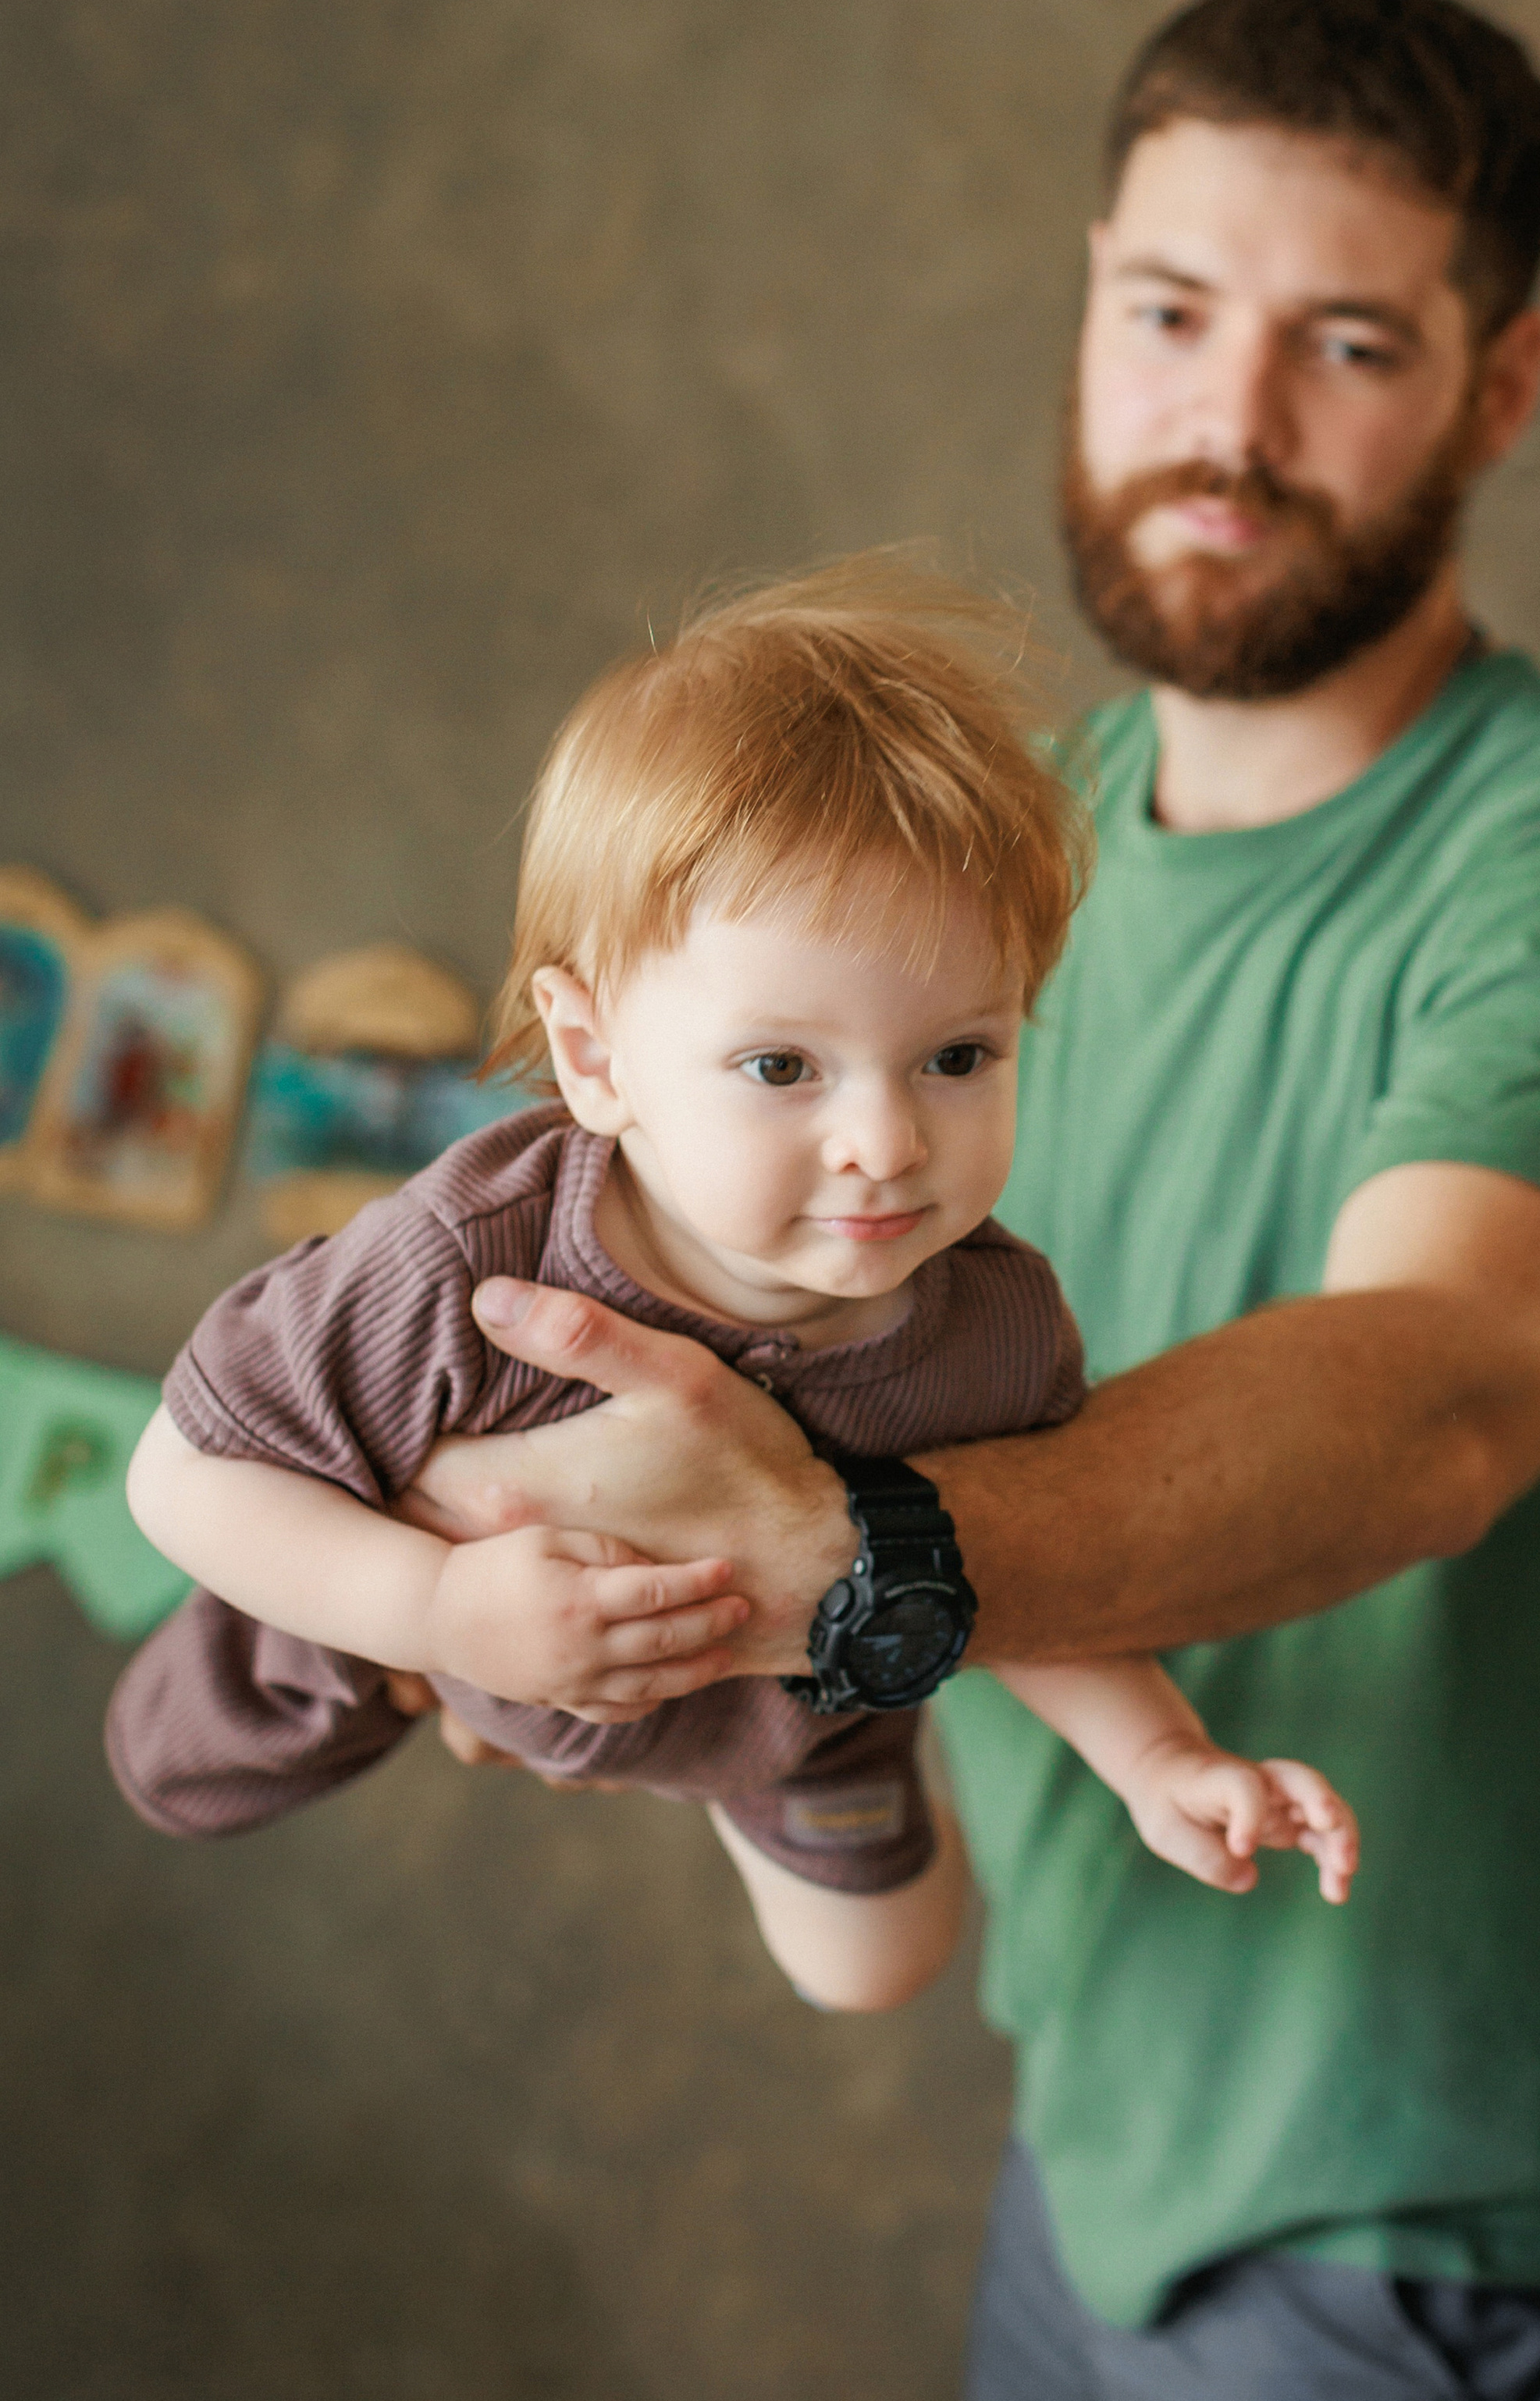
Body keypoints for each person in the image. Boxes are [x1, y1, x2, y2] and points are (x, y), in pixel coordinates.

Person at [301, 0, 1540, 2401]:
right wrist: (496, 1541)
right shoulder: (1027, 851)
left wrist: (815, 1548)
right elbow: (738, 1290)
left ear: (1501, 382)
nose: (1229, 420)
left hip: (1428, 2189)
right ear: (1087, 298)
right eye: (1168, 313)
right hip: (1106, 2107)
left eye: (1348, 342)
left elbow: (1421, 1407)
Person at [108, 569, 1358, 2014]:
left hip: (790, 1704)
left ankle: (702, 1761)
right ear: (594, 1058)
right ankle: (383, 1657)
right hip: (422, 1588)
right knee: (181, 1764)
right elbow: (183, 1471)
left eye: (960, 1056)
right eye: (782, 1068)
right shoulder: (473, 1258)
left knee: (879, 1967)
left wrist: (1160, 1759)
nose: (887, 1144)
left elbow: (1025, 1588)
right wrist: (437, 1613)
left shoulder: (1000, 1328)